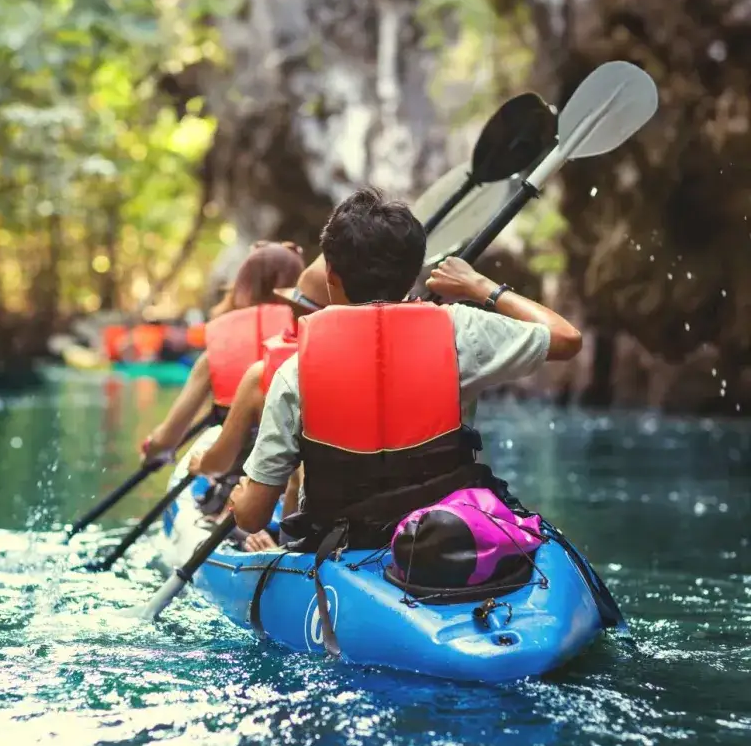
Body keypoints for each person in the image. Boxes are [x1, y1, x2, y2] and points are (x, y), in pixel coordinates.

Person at [228, 187, 582, 556]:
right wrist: (480, 286)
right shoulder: (460, 331)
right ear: (413, 273)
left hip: (343, 548)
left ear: (331, 274)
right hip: (446, 540)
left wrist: (239, 499)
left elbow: (252, 517)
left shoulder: (295, 371)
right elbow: (566, 338)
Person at [187, 256, 332, 550]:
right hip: (350, 528)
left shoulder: (265, 375)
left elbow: (228, 473)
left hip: (279, 512)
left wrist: (203, 464)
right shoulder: (384, 368)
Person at [139, 241, 304, 460]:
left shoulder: (217, 352)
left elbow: (168, 438)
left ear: (241, 286)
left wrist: (152, 447)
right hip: (297, 467)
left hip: (231, 468)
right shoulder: (310, 341)